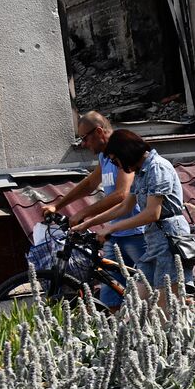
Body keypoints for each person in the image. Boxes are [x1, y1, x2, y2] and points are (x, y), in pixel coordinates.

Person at [45, 112, 146, 309]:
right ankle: (120, 337)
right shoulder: (104, 156)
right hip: (116, 233)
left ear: (99, 131)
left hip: (137, 233)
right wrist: (57, 205)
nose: (83, 144)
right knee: (110, 297)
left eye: (85, 138)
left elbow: (121, 195)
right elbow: (91, 183)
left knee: (154, 289)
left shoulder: (124, 153)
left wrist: (84, 214)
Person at [79, 130, 193, 300]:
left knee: (165, 310)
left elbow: (152, 213)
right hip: (154, 240)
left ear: (126, 153)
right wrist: (88, 223)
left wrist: (112, 227)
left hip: (170, 240)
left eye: (116, 160)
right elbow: (124, 206)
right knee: (137, 305)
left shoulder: (157, 167)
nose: (117, 165)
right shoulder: (141, 172)